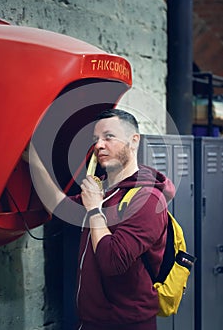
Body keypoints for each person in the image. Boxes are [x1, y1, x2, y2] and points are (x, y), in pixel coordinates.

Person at [28, 108, 175, 330]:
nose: (99, 145)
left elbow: (112, 262)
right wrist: (32, 159)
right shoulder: (104, 191)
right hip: (91, 321)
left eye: (109, 137)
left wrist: (94, 210)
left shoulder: (148, 200)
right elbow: (59, 206)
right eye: (95, 139)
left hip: (127, 323)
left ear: (134, 141)